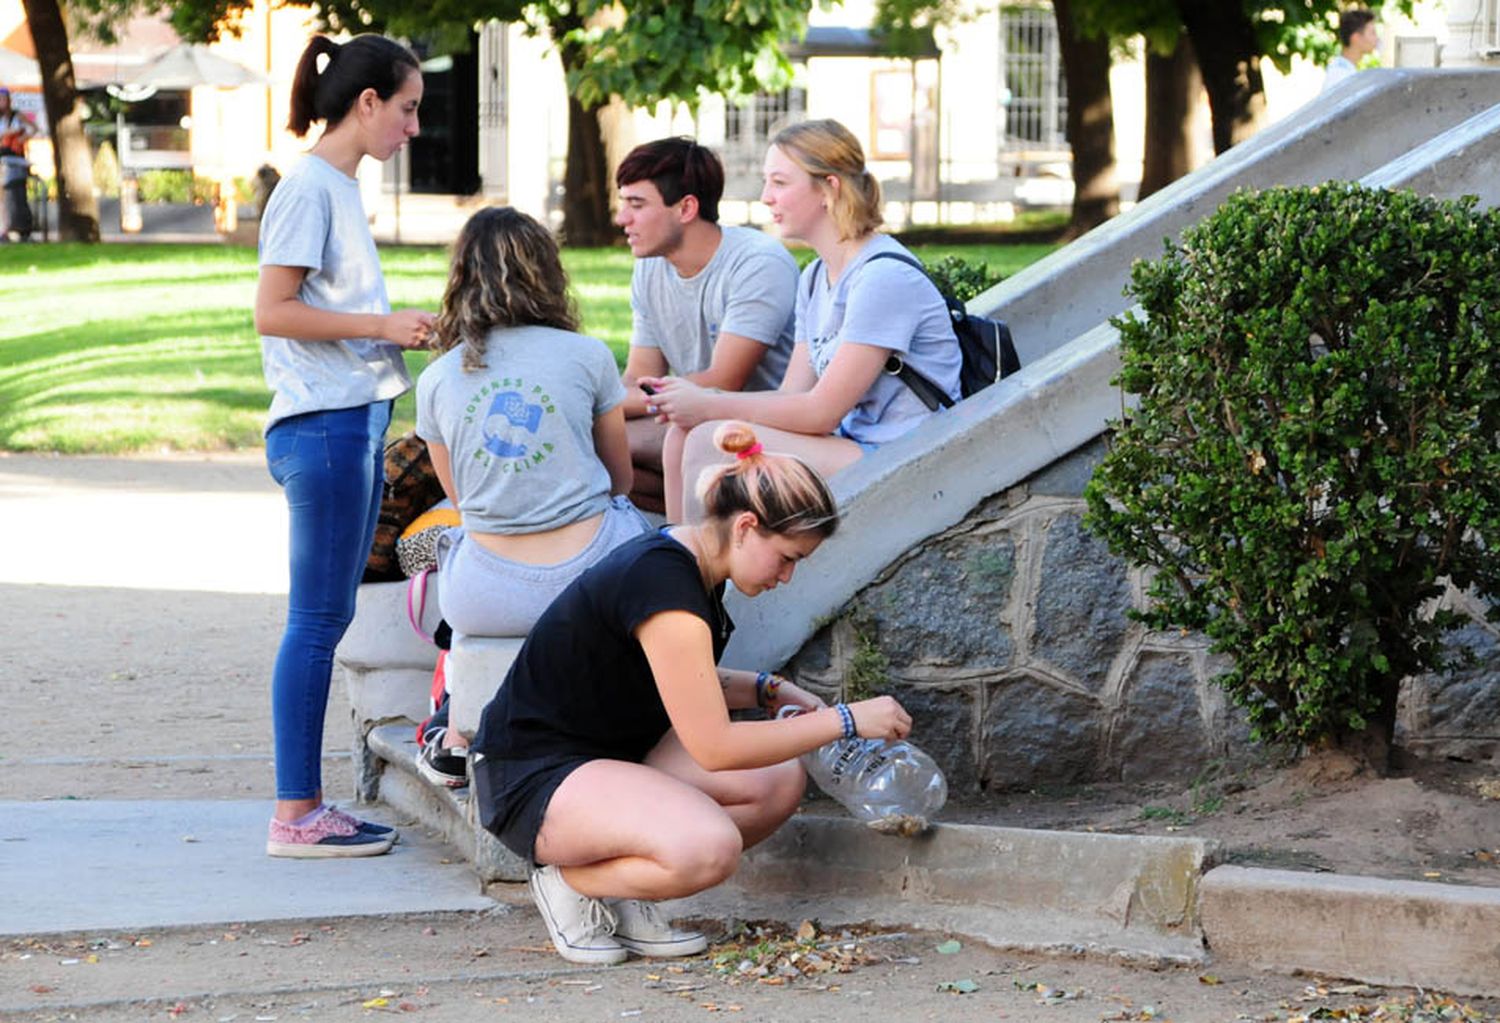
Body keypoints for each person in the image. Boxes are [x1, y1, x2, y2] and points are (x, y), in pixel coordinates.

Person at [470, 421, 913, 964]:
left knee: (775, 781)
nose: (789, 576)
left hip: (610, 757)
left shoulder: (695, 566)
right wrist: (845, 719)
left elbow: (677, 681)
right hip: (534, 774)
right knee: (708, 849)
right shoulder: (665, 585)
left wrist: (768, 690)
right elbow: (715, 747)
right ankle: (573, 886)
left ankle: (629, 893)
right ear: (747, 526)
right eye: (788, 557)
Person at [254, 33, 436, 858]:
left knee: (323, 618)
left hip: (348, 420)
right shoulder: (310, 188)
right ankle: (297, 814)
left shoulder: (336, 187)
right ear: (367, 104)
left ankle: (304, 808)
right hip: (322, 428)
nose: (413, 127)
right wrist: (378, 325)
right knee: (317, 620)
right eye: (407, 108)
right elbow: (274, 310)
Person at [411, 205, 649, 787]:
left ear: (461, 276)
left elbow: (459, 497)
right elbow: (619, 478)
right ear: (549, 271)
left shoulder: (438, 376)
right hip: (587, 584)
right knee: (649, 537)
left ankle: (454, 727)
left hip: (483, 593)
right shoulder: (587, 356)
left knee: (446, 536)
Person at [642, 119, 960, 523]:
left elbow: (820, 411)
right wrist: (700, 405)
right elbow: (792, 392)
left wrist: (709, 403)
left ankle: (693, 571)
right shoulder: (814, 278)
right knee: (682, 435)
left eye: (779, 183)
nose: (765, 197)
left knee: (707, 438)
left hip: (904, 454)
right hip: (849, 443)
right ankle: (680, 563)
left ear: (829, 188)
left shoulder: (882, 277)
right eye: (766, 182)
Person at [614, 137, 799, 513]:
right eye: (623, 203)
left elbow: (723, 380)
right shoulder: (650, 267)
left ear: (686, 208)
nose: (621, 219)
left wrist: (594, 403)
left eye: (636, 205)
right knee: (594, 447)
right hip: (690, 417)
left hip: (765, 426)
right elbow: (639, 376)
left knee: (609, 442)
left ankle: (700, 527)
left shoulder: (757, 262)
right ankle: (689, 516)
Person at [0, 87, 37, 241]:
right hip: (3, 157)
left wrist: (22, 138)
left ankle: (17, 227)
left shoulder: (16, 116)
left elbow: (33, 128)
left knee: (16, 195)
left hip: (13, 159)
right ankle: (4, 228)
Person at [1323, 9, 1378, 93]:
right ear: (1356, 38)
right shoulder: (1340, 76)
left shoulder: (1345, 72)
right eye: (1372, 33)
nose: (1376, 38)